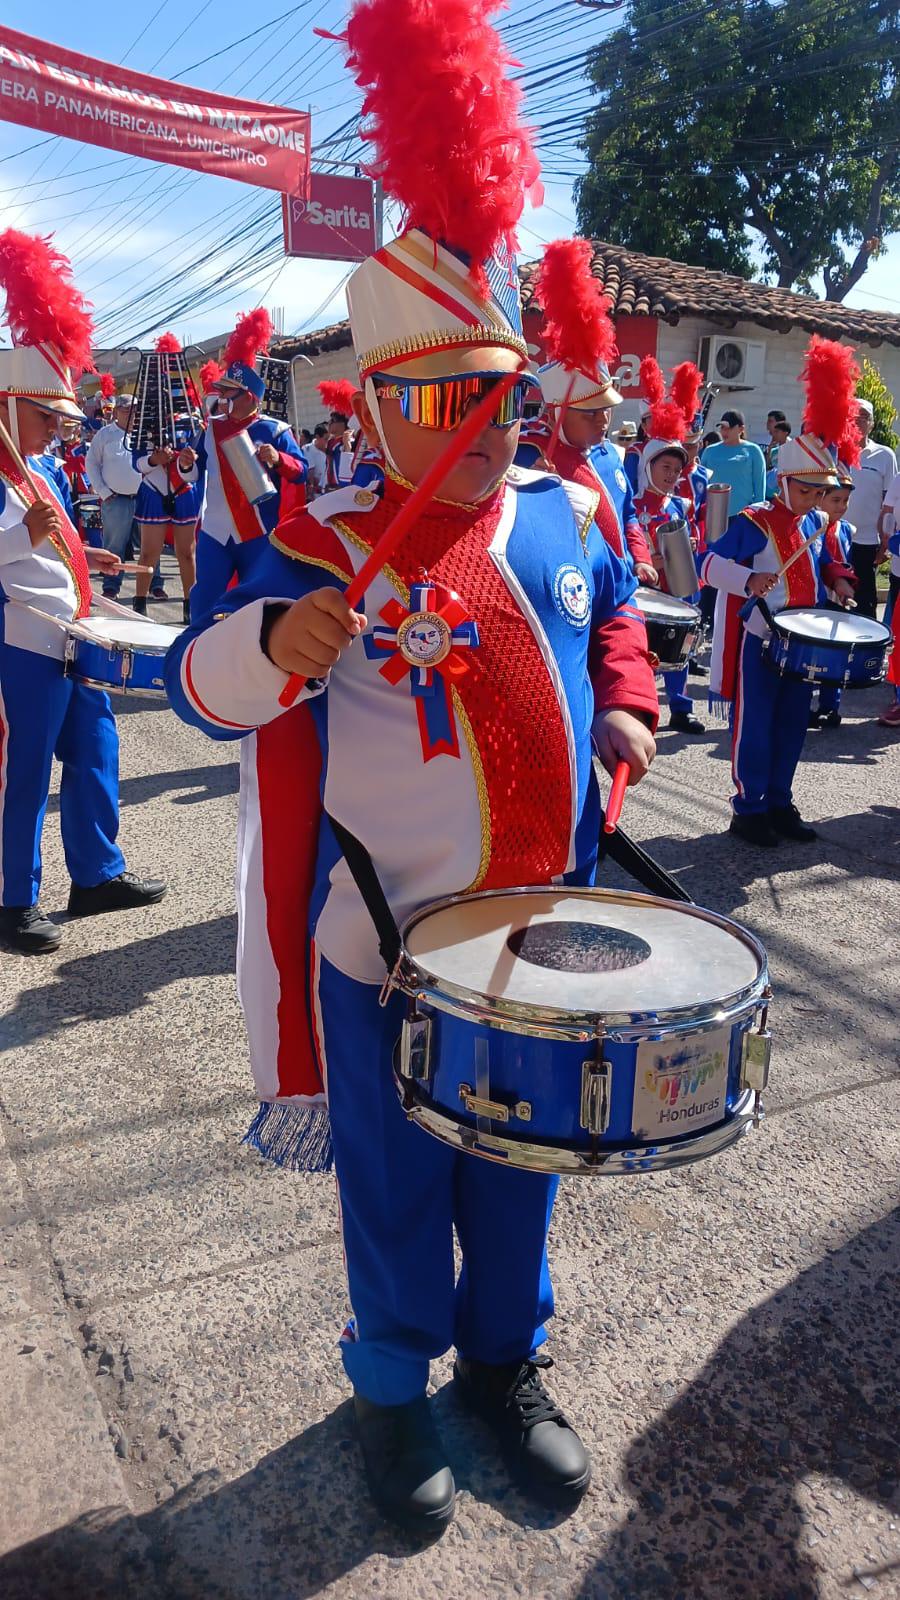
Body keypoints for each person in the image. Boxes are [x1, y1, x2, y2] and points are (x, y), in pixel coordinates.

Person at [165, 0, 658, 1539]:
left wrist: (632, 709)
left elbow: (624, 627)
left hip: (536, 936)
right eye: (432, 397)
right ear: (369, 399)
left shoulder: (572, 517)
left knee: (522, 1172)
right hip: (373, 949)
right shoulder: (312, 537)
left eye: (488, 393)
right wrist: (279, 642)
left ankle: (505, 1365)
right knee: (388, 1191)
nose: (466, 424)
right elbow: (197, 686)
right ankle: (392, 1382)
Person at [0, 228, 165, 954]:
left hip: (68, 636)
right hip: (20, 645)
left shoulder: (38, 474)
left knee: (97, 750)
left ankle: (95, 875)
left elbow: (46, 543)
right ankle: (11, 901)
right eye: (43, 416)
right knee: (23, 773)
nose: (53, 429)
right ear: (8, 408)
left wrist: (80, 550)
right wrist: (24, 537)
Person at [702, 389, 856, 847]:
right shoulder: (755, 520)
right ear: (784, 481)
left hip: (804, 640)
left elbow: (824, 563)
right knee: (756, 726)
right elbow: (707, 565)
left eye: (818, 492)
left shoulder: (814, 523)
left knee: (791, 725)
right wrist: (747, 580)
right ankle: (748, 808)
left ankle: (778, 801)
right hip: (762, 639)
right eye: (804, 490)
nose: (811, 499)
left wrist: (839, 580)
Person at [521, 237, 658, 587]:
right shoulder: (525, 454)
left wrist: (640, 559)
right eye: (590, 413)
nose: (603, 421)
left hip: (620, 586)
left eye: (606, 410)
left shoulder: (611, 454)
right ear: (557, 412)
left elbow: (627, 514)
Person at [179, 310, 308, 619]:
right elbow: (196, 473)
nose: (222, 399)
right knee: (205, 598)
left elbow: (302, 470)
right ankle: (195, 652)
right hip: (215, 530)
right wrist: (186, 464)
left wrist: (279, 459)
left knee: (258, 601)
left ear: (249, 395)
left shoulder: (275, 429)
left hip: (259, 531)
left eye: (228, 393)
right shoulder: (211, 427)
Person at [632, 357, 705, 732]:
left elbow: (695, 541)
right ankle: (639, 704)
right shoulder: (630, 504)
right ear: (647, 465)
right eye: (665, 468)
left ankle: (681, 704)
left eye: (677, 470)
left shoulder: (681, 504)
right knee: (639, 649)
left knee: (682, 646)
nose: (673, 475)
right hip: (644, 587)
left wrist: (690, 544)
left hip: (676, 586)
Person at [85, 395, 142, 599]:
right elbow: (91, 463)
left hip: (143, 499)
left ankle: (154, 584)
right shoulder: (105, 434)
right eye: (127, 410)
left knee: (150, 546)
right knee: (114, 546)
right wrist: (103, 491)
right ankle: (111, 586)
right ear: (116, 411)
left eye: (135, 411)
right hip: (116, 498)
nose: (131, 415)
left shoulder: (144, 433)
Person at [846, 398, 896, 619]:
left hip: (867, 541)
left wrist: (886, 542)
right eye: (853, 417)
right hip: (837, 537)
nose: (857, 422)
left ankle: (867, 649)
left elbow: (891, 504)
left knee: (865, 599)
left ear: (872, 423)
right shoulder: (836, 452)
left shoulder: (884, 455)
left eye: (863, 417)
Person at [701, 410, 766, 517]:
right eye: (722, 428)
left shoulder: (753, 450)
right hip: (714, 514)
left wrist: (757, 514)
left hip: (743, 516)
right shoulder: (709, 451)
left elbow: (759, 486)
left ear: (741, 429)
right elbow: (701, 483)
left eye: (729, 428)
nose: (725, 432)